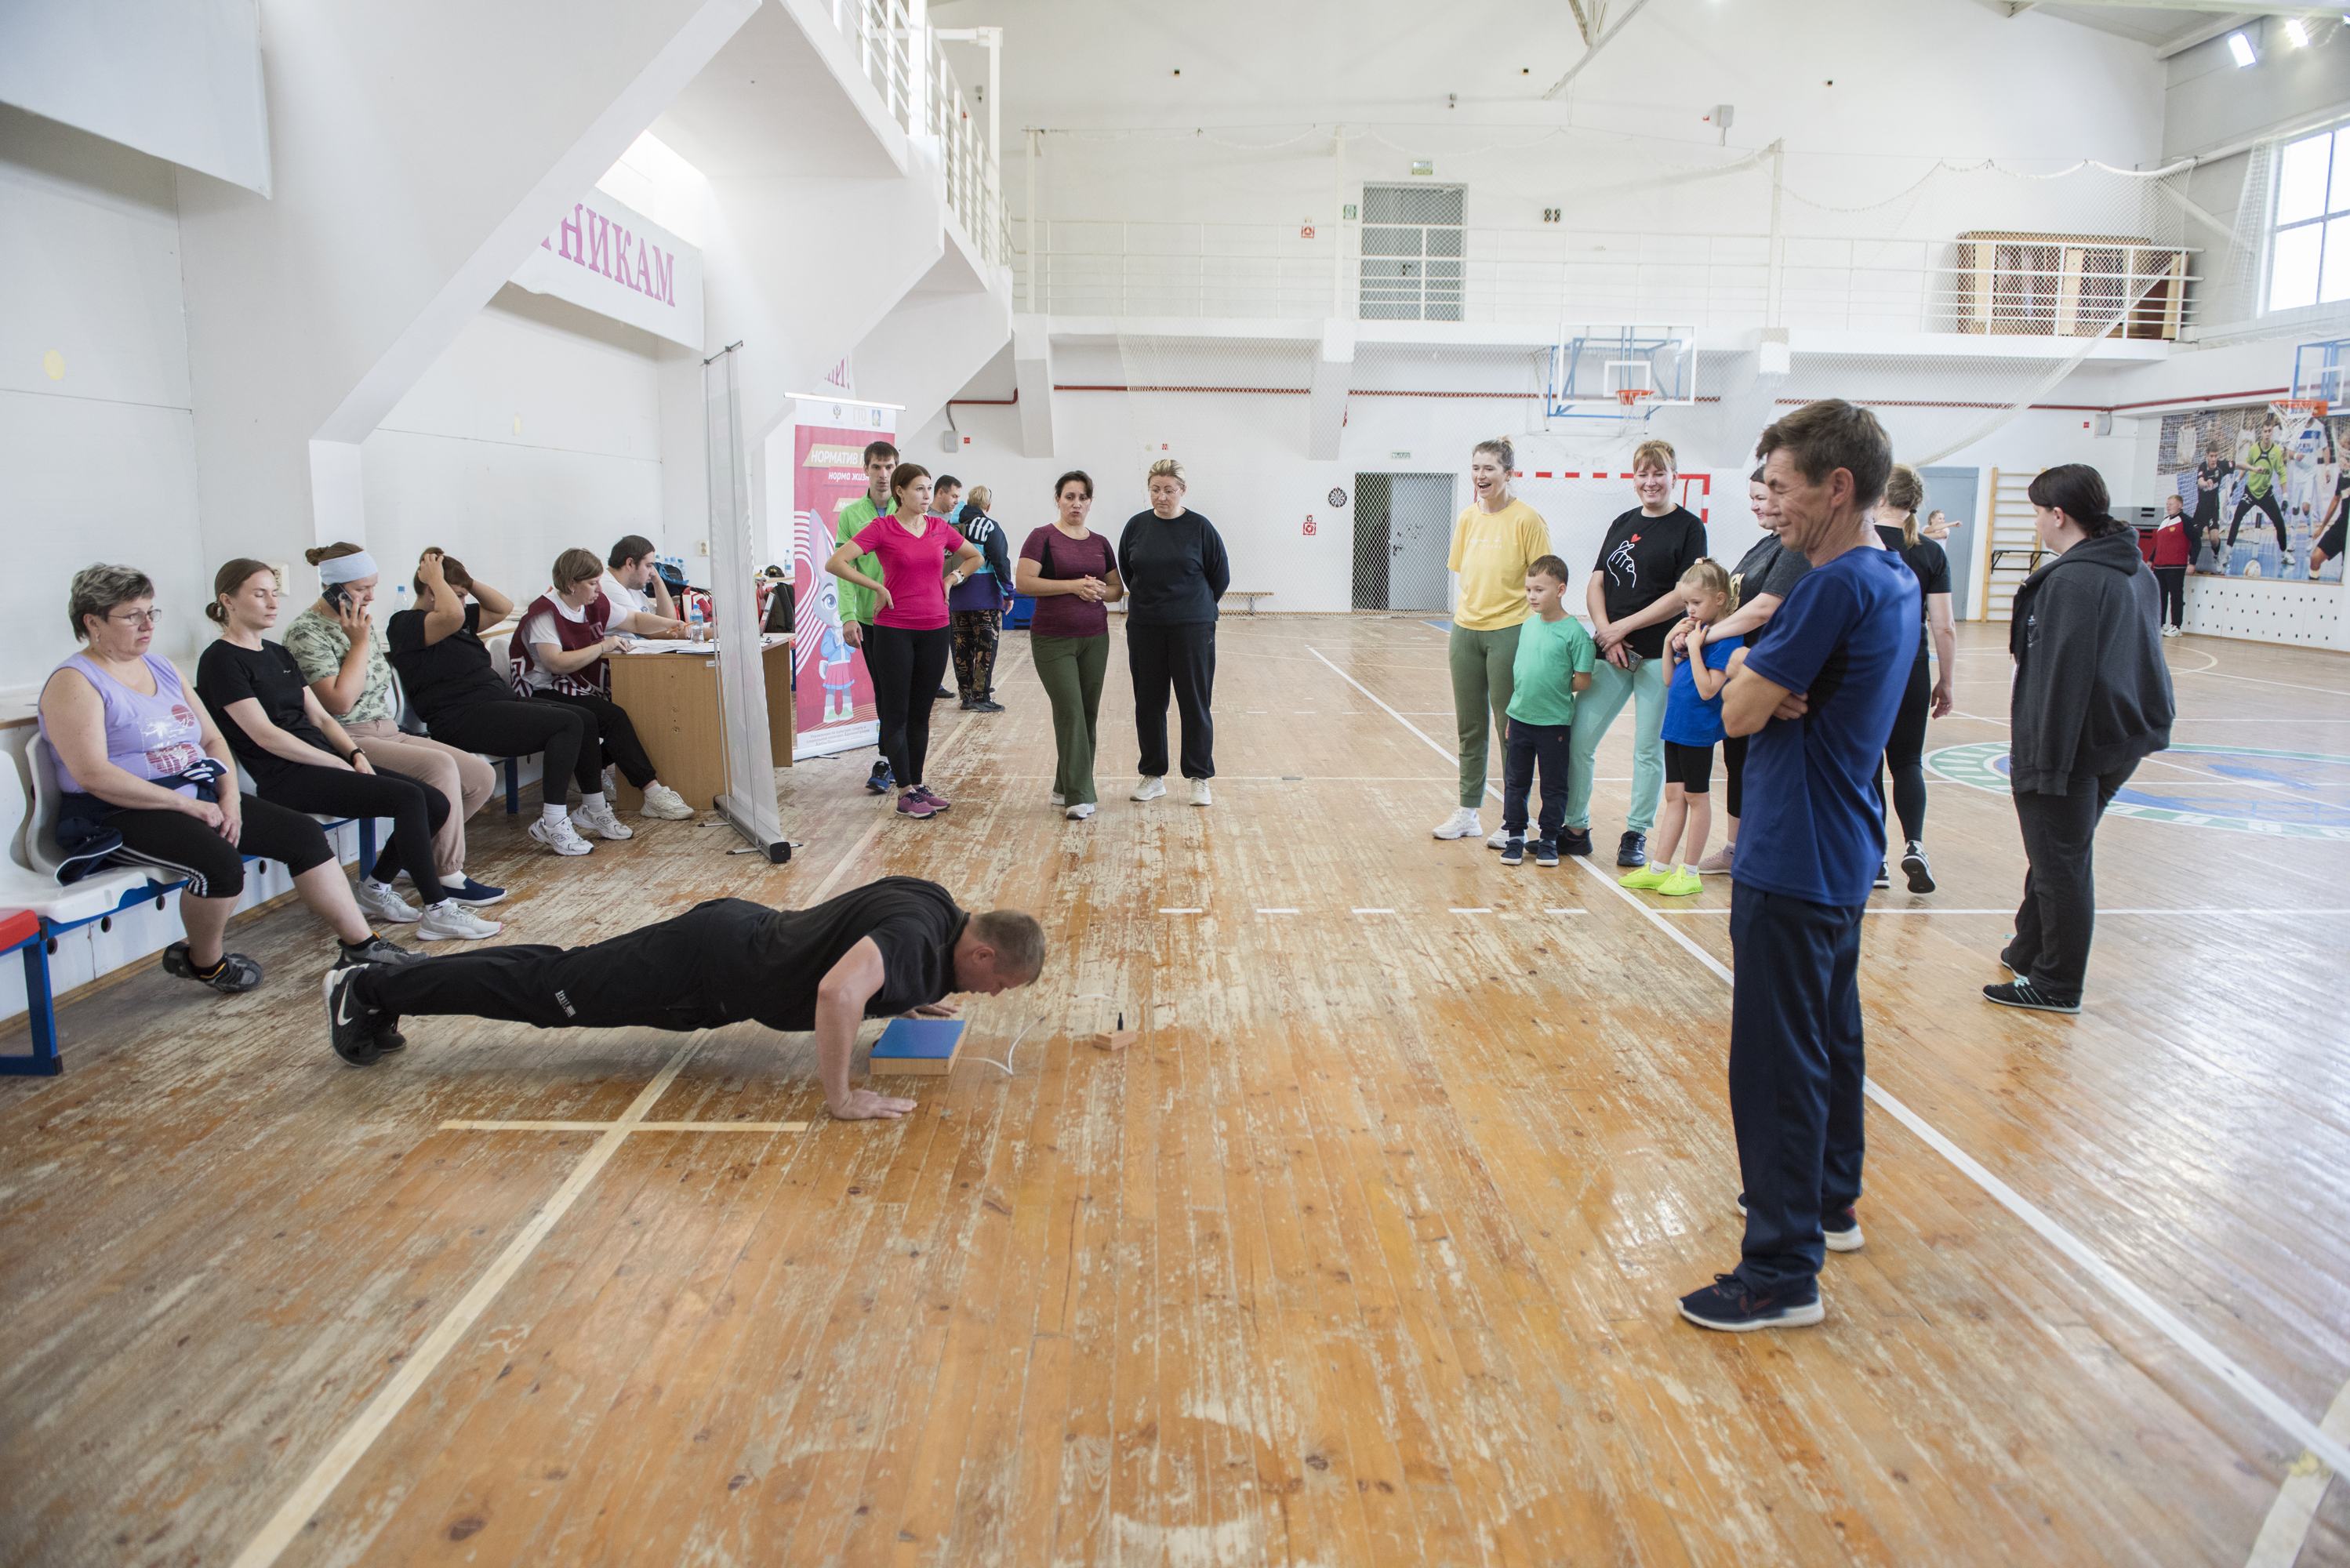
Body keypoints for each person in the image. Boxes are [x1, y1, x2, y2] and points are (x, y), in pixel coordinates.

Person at [1676, 399, 1917, 1334]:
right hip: (1845, 844)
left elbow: (1735, 711)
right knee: (1830, 1037)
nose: (1768, 503)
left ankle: (1780, 1271)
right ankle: (1829, 1200)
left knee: (1777, 1061)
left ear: (1837, 486)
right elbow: (1759, 690)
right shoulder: (1891, 575)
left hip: (1792, 849)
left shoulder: (1825, 589)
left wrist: (1750, 676)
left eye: (1781, 486)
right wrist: (1762, 671)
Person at [324, 877, 1044, 1120]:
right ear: (982, 954)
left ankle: (393, 980)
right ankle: (372, 983)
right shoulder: (915, 941)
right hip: (699, 966)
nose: (990, 994)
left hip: (726, 946)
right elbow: (835, 992)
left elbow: (866, 948)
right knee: (550, 991)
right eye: (998, 984)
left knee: (554, 976)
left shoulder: (934, 910)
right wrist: (842, 1097)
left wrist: (899, 995)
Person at [38, 564, 418, 996]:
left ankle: (361, 945)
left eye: (150, 613)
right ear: (92, 622)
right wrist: (188, 805)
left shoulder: (161, 668)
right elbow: (93, 774)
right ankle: (205, 962)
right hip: (117, 811)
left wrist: (229, 797)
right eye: (132, 616)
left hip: (195, 793)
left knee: (303, 835)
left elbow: (212, 739)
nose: (147, 625)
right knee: (219, 866)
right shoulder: (75, 682)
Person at [197, 558, 503, 943]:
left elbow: (321, 719)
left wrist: (353, 755)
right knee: (412, 799)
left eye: (274, 593)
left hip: (326, 761)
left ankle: (375, 888)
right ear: (227, 601)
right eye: (260, 595)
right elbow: (265, 736)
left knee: (435, 803)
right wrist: (332, 760)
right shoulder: (220, 660)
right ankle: (438, 911)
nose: (273, 603)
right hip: (285, 776)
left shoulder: (275, 652)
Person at [1991, 465, 2174, 1014]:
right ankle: (2028, 948)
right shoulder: (2132, 568)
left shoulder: (2073, 582)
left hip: (2074, 741)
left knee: (2060, 860)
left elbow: (2061, 680)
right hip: (2123, 734)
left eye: (2036, 513)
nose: (2034, 523)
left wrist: (2043, 763)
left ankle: (2057, 983)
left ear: (2058, 515)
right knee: (2058, 849)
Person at [284, 543, 504, 906]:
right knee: (440, 768)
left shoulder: (360, 621)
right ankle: (447, 874)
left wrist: (359, 635)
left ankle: (404, 863)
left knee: (479, 776)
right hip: (344, 739)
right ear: (331, 588)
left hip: (387, 729)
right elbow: (339, 702)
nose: (371, 596)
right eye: (361, 588)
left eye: (373, 586)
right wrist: (358, 643)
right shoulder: (306, 632)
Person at [385, 548, 605, 858]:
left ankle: (594, 808)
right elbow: (452, 615)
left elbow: (503, 607)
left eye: (464, 596)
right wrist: (436, 578)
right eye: (458, 595)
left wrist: (466, 581)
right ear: (432, 591)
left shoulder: (458, 620)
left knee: (585, 717)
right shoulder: (405, 624)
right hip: (460, 718)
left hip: (496, 704)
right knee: (567, 724)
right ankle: (553, 821)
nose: (464, 602)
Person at [1565, 438, 1709, 866]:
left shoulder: (1689, 528)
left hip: (1659, 657)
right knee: (1578, 740)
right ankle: (1575, 827)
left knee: (1648, 751)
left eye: (1659, 473)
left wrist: (1624, 627)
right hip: (1611, 655)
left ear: (1674, 476)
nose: (1651, 481)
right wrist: (1606, 633)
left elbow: (1683, 593)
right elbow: (1597, 580)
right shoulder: (1622, 522)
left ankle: (1636, 832)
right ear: (1634, 479)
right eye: (1643, 474)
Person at [825, 463, 985, 820]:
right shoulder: (881, 528)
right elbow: (836, 562)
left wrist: (952, 579)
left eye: (929, 489)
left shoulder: (938, 528)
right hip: (894, 629)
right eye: (919, 489)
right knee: (896, 711)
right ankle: (904, 791)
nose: (927, 496)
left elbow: (976, 556)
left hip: (936, 627)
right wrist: (877, 587)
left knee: (921, 712)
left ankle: (917, 784)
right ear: (900, 491)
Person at [511, 547, 697, 826]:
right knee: (613, 717)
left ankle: (590, 772)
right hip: (543, 690)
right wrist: (602, 646)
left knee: (636, 708)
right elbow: (555, 663)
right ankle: (651, 791)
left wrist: (674, 625)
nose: (599, 589)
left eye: (599, 581)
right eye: (592, 583)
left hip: (573, 684)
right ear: (571, 584)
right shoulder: (545, 613)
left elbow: (634, 620)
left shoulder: (592, 603)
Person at [1434, 437, 1553, 844]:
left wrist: (1541, 635)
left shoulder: (1528, 520)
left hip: (1510, 632)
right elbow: (1464, 572)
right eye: (1476, 468)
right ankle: (1468, 812)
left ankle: (1513, 819)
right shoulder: (1467, 518)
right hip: (1465, 632)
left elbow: (1544, 581)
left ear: (1508, 473)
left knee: (1509, 729)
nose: (1480, 476)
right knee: (1470, 727)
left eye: (1489, 468)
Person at [1691, 466, 1807, 875]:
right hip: (1742, 673)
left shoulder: (1794, 550)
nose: (1755, 506)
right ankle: (1735, 849)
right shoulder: (1765, 545)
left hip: (1768, 676)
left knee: (1764, 766)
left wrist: (1704, 637)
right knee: (1739, 762)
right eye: (1753, 498)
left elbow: (1764, 609)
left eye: (1761, 498)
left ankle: (1764, 851)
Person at [1120, 458, 1232, 808]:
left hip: (1192, 628)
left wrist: (1194, 608)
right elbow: (1128, 570)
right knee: (1149, 702)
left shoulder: (1200, 527)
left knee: (1194, 702)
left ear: (1182, 491)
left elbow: (1220, 576)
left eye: (1169, 490)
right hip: (1146, 627)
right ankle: (1153, 775)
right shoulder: (1136, 526)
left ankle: (1199, 777)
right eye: (1155, 489)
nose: (1161, 496)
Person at [1625, 560, 1736, 897]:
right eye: (1687, 603)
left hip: (1697, 730)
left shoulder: (1724, 639)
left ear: (1719, 599)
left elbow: (1708, 689)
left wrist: (1695, 648)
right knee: (1674, 796)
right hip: (1675, 725)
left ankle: (1689, 872)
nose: (1690, 609)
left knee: (1696, 798)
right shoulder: (1695, 635)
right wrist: (1668, 642)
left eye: (1697, 602)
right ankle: (1659, 868)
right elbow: (1669, 679)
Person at [1017, 471, 1124, 820]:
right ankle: (1080, 795)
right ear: (1058, 500)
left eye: (1082, 497)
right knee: (1071, 711)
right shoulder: (1042, 537)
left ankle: (1063, 786)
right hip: (1052, 640)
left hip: (1095, 639)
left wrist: (1097, 590)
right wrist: (1073, 585)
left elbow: (1116, 590)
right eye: (1069, 497)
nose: (1076, 504)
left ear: (1090, 502)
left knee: (1087, 713)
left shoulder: (1101, 543)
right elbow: (1025, 583)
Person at [1872, 464, 1956, 894]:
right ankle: (1915, 844)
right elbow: (1944, 626)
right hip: (1912, 668)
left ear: (1880, 496)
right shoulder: (1930, 552)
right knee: (1907, 761)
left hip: (1866, 669)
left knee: (1868, 763)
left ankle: (1876, 860)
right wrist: (1946, 680)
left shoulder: (1859, 542)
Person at [1495, 556, 1594, 869]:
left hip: (1554, 725)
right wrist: (1513, 715)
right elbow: (1522, 674)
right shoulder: (1528, 626)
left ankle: (1549, 839)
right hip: (1520, 720)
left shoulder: (1575, 634)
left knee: (1553, 785)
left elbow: (1583, 680)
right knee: (1516, 782)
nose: (1532, 596)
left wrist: (1554, 687)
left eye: (1539, 590)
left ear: (1561, 590)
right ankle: (1515, 837)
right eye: (1529, 590)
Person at [835, 440, 900, 793]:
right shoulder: (851, 515)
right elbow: (844, 570)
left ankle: (896, 758)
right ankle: (889, 759)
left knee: (902, 692)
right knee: (884, 690)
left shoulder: (909, 509)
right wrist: (848, 616)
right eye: (877, 467)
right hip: (870, 619)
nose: (883, 474)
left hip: (907, 617)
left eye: (889, 467)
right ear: (865, 469)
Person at [950, 484, 1014, 713]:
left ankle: (966, 697)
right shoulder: (989, 526)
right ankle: (981, 696)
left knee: (961, 648)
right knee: (985, 648)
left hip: (955, 595)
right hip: (984, 597)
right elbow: (1000, 562)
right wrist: (1008, 593)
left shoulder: (951, 525)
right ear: (988, 505)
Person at [2227, 415, 2291, 569]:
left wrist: (2285, 497)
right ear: (2261, 433)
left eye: (2270, 431)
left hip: (2265, 494)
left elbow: (2282, 474)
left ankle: (2284, 554)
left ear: (2272, 433)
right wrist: (2237, 481)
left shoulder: (2276, 452)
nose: (2267, 434)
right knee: (2237, 518)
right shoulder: (2254, 449)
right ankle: (2226, 553)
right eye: (2265, 431)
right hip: (2250, 492)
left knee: (2280, 523)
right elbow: (2246, 465)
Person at [598, 535, 684, 625]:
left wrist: (658, 582)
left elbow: (669, 621)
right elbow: (654, 628)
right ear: (630, 564)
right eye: (648, 566)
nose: (653, 573)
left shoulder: (631, 585)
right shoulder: (607, 586)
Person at [2149, 495, 2194, 636]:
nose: (2168, 506)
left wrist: (2192, 562)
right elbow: (2159, 544)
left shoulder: (2186, 521)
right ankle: (2160, 625)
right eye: (2167, 504)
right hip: (2160, 565)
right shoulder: (2164, 521)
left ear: (2180, 505)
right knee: (2160, 596)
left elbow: (2196, 542)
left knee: (2175, 595)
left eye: (2171, 504)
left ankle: (2176, 626)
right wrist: (2151, 559)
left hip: (2176, 565)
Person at [2308, 437, 2345, 580]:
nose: (2340, 454)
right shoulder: (2344, 474)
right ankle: (2313, 591)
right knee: (2315, 559)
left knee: (2345, 576)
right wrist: (2322, 527)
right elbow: (2336, 500)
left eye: (2343, 450)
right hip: (2342, 527)